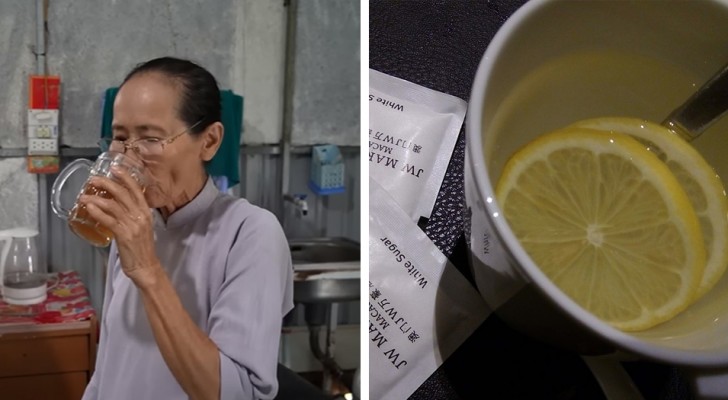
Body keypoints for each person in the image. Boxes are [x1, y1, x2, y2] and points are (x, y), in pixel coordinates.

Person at [80, 56, 294, 400]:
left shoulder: (250, 233)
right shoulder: (134, 225)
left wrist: (147, 269)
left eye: (150, 138)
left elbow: (237, 394)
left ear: (209, 141)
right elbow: (109, 363)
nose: (127, 157)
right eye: (120, 138)